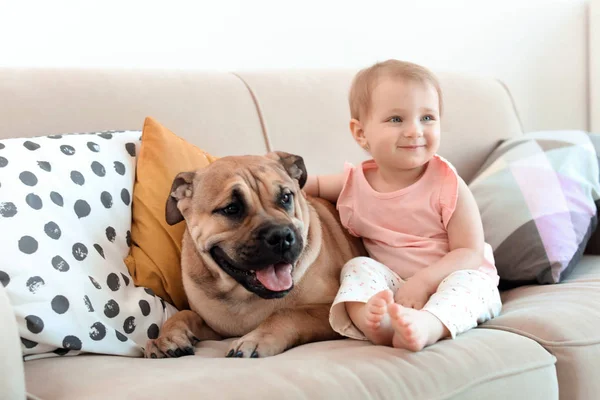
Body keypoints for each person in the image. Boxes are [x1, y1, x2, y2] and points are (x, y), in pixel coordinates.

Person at [303, 60, 502, 351]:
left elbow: (469, 252)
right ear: (361, 133)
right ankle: (377, 325)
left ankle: (428, 325)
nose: (414, 131)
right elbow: (308, 183)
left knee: (471, 286)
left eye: (427, 118)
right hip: (395, 286)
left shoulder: (448, 183)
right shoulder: (354, 183)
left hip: (449, 278)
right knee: (356, 267)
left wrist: (423, 282)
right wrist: (265, 173)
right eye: (396, 119)